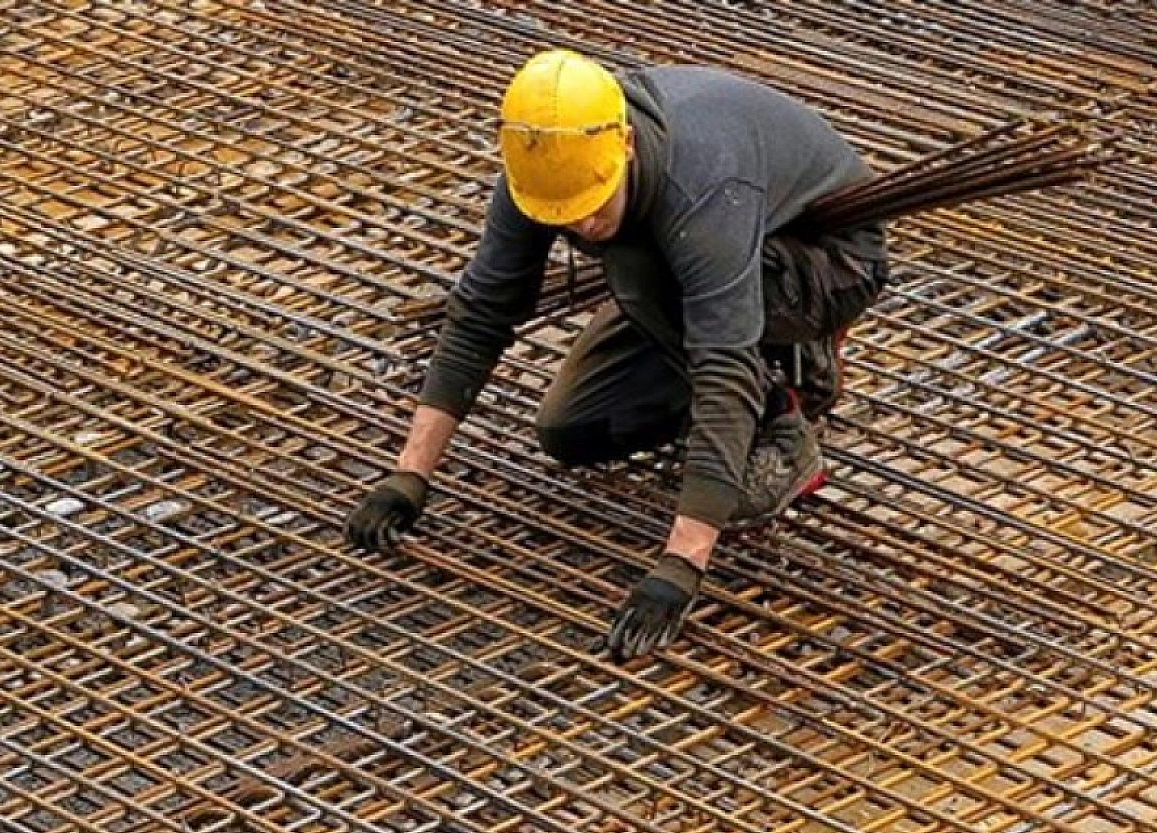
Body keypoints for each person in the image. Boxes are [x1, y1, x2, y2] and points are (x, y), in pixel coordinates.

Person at [343, 49, 889, 661]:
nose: (581, 227)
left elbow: (721, 363)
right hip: (690, 267)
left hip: (824, 261)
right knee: (572, 431)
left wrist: (682, 564)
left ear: (625, 144)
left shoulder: (702, 182)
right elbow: (480, 311)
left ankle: (784, 406)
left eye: (592, 206)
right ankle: (732, 359)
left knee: (638, 267)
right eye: (566, 218)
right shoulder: (543, 164)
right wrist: (408, 475)